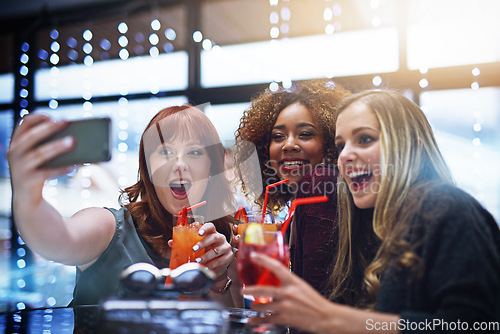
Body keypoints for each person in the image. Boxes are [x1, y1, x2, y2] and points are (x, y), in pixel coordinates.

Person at [242, 89, 500, 333]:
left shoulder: (447, 207)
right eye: (341, 145)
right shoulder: (374, 222)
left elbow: (476, 325)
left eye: (364, 139)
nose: (345, 156)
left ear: (413, 146)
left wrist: (331, 318)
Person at [7, 105, 243, 307]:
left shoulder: (224, 244)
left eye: (193, 152)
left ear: (211, 170)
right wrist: (28, 194)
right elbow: (58, 239)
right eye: (165, 151)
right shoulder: (111, 228)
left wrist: (220, 279)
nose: (179, 164)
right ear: (148, 169)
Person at [233, 79, 352, 296]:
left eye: (305, 134)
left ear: (329, 142)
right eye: (278, 137)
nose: (288, 144)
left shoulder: (320, 183)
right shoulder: (300, 208)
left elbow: (313, 304)